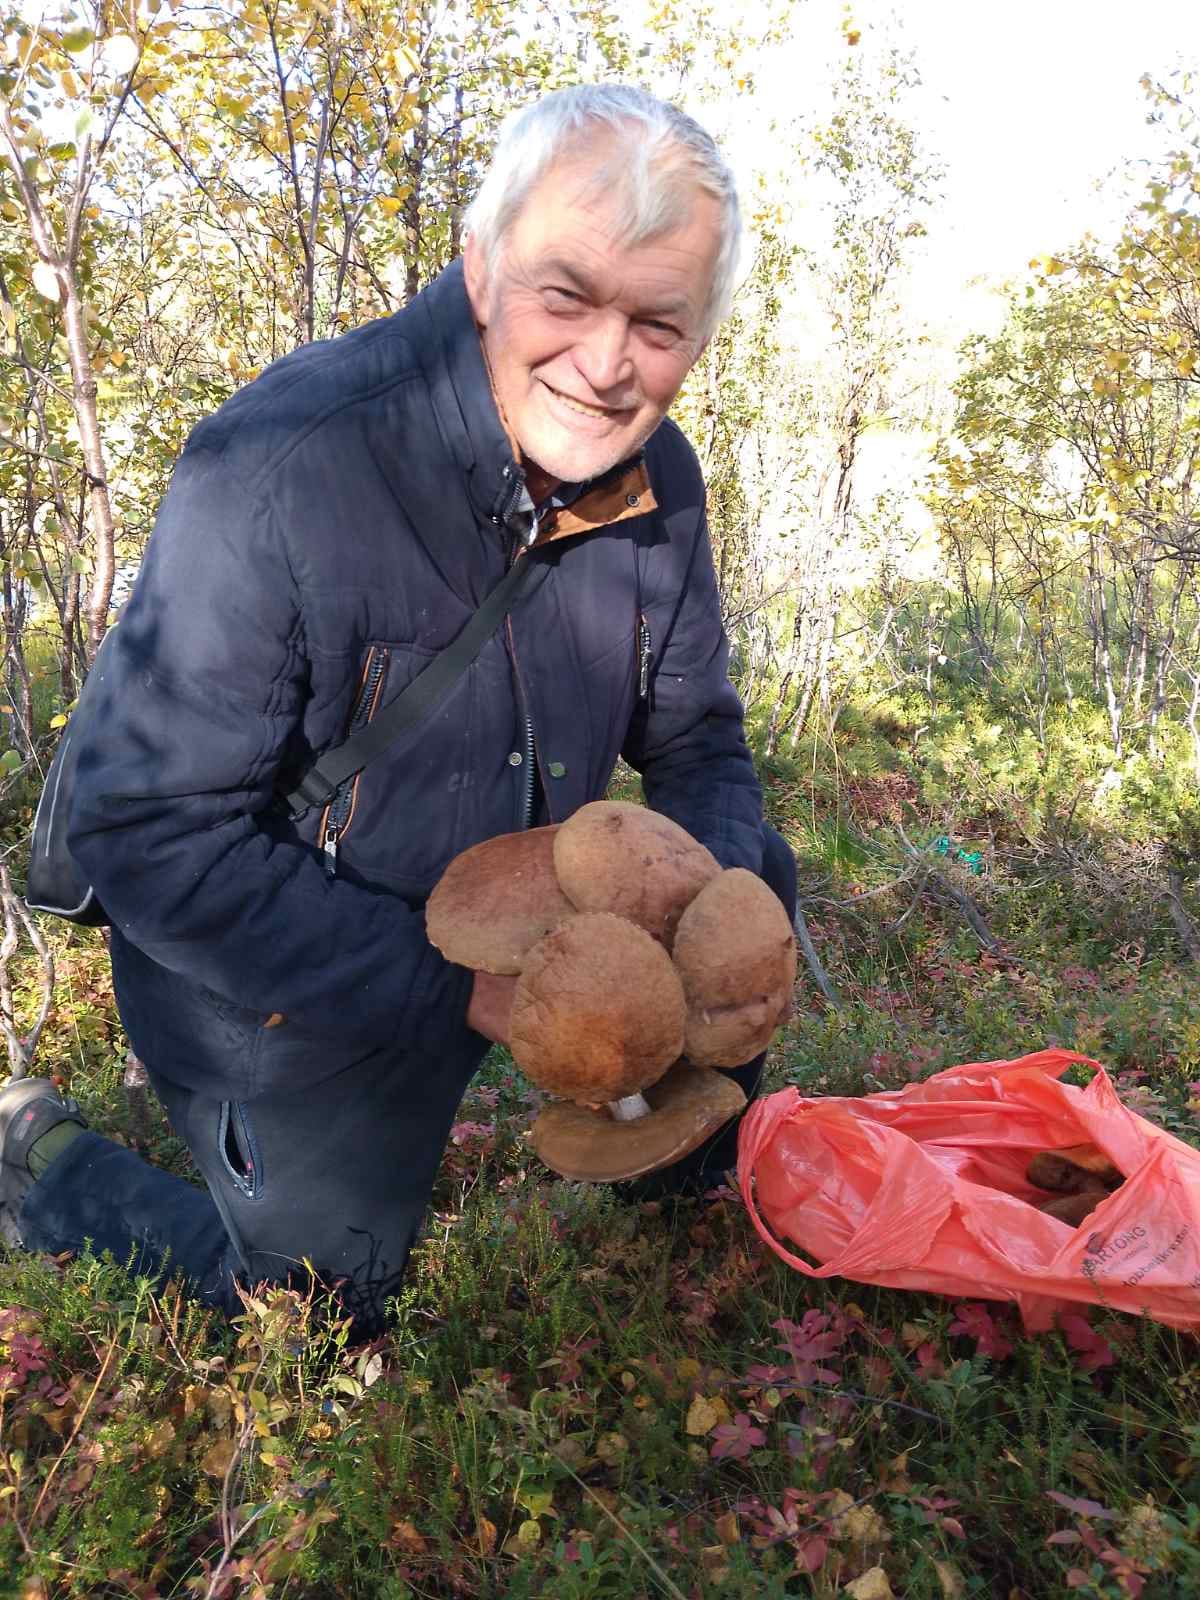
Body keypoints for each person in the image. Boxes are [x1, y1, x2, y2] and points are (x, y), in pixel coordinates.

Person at [0, 84, 796, 1333]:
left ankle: (672, 1157)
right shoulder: (282, 468)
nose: (606, 362)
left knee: (752, 881)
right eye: (568, 294)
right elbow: (146, 833)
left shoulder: (660, 480)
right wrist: (463, 996)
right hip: (290, 957)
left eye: (658, 321)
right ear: (481, 269)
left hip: (517, 912)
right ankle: (38, 1158)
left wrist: (709, 929)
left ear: (700, 335)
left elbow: (697, 742)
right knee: (318, 1308)